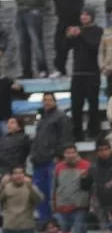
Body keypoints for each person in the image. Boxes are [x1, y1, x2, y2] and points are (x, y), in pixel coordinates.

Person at [0, 0, 54, 78]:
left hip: (34, 10)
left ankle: (43, 70)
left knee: (36, 42)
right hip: (21, 10)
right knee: (22, 43)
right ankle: (26, 72)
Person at [51, 145, 92, 233]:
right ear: (64, 154)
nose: (70, 155)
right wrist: (54, 205)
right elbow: (54, 187)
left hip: (79, 208)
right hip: (62, 209)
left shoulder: (86, 165)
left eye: (72, 152)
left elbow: (91, 186)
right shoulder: (58, 167)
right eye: (67, 153)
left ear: (76, 153)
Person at [31, 92, 72, 222]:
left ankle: (56, 224)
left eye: (50, 100)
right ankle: (44, 223)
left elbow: (65, 137)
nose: (47, 102)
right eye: (45, 100)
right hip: (38, 162)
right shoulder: (42, 119)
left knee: (53, 195)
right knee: (39, 196)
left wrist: (58, 155)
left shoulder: (61, 117)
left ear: (55, 101)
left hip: (51, 161)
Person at [67, 9, 104, 143]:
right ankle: (77, 134)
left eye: (86, 15)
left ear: (92, 17)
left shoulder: (98, 30)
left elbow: (94, 46)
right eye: (82, 14)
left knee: (93, 105)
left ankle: (94, 131)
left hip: (92, 73)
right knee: (76, 105)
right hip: (77, 74)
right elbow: (65, 47)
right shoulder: (78, 31)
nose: (83, 17)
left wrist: (80, 34)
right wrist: (69, 35)